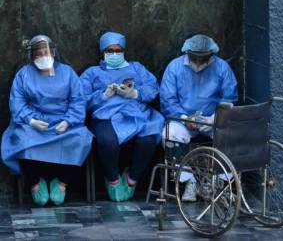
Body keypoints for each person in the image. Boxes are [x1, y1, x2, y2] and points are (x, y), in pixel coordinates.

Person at [1, 35, 93, 206]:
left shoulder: (67, 73)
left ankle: (62, 183)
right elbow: (17, 101)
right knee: (22, 138)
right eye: (39, 53)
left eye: (46, 52)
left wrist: (69, 121)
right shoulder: (24, 75)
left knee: (80, 138)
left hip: (63, 122)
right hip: (35, 123)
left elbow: (78, 100)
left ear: (53, 52)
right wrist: (31, 121)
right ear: (32, 56)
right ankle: (35, 183)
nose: (44, 56)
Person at [80, 31, 164, 202]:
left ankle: (132, 179)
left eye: (118, 50)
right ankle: (113, 179)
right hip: (106, 117)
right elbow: (80, 100)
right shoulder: (92, 73)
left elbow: (152, 88)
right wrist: (103, 96)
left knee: (148, 140)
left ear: (123, 51)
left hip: (137, 113)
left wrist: (135, 93)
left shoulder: (137, 68)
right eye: (110, 51)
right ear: (103, 52)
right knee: (107, 141)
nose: (114, 54)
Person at [160, 34, 238, 202]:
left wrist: (214, 119)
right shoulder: (174, 68)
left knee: (233, 137)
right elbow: (168, 100)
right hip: (182, 120)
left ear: (211, 55)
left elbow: (229, 99)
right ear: (188, 53)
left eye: (203, 59)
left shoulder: (222, 68)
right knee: (170, 135)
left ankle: (217, 182)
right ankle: (189, 182)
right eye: (195, 58)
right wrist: (184, 117)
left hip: (212, 121)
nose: (198, 63)